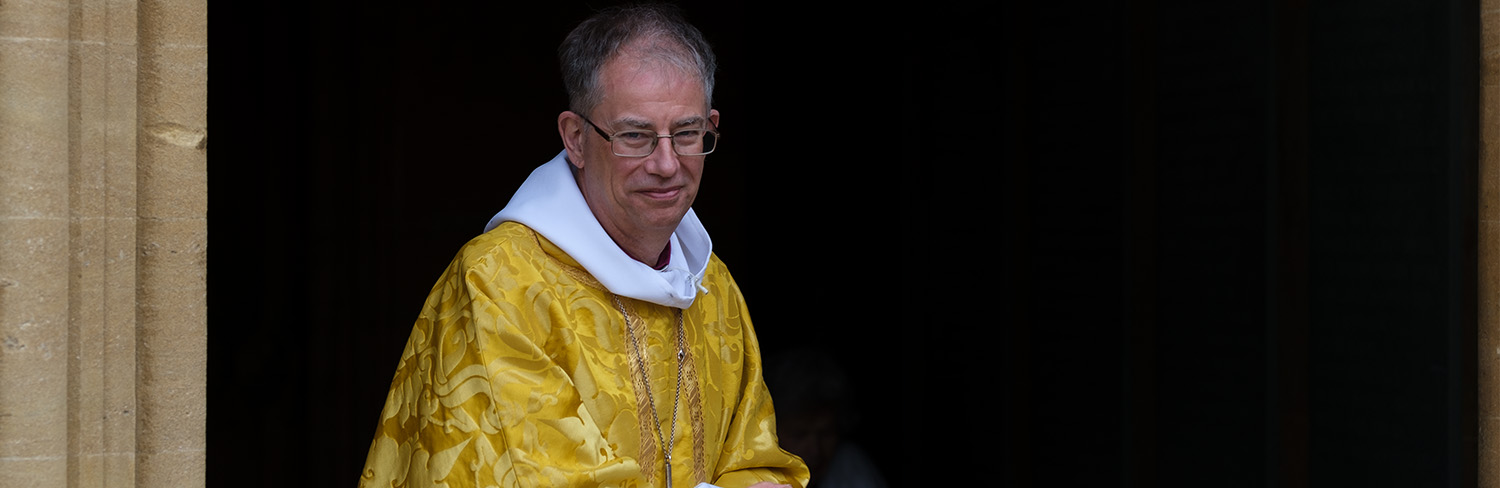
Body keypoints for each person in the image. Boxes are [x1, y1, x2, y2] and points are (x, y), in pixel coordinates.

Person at [357, 4, 809, 488]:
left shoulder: (711, 285)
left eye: (686, 133)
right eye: (635, 136)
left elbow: (756, 461)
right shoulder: (498, 284)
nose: (666, 163)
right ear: (575, 137)